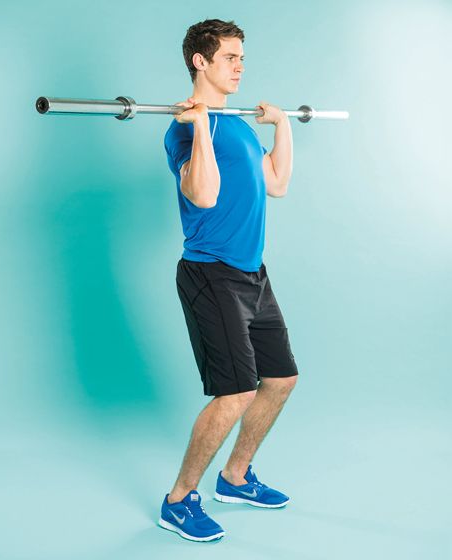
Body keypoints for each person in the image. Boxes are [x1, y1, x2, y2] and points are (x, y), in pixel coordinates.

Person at [158, 18, 299, 543]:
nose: (240, 66)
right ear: (200, 61)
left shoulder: (237, 124)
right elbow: (205, 195)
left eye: (242, 58)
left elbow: (277, 184)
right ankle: (177, 502)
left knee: (280, 379)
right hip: (209, 274)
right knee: (235, 392)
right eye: (229, 58)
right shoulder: (181, 129)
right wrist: (197, 126)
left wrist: (281, 125)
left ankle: (235, 478)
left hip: (252, 276)